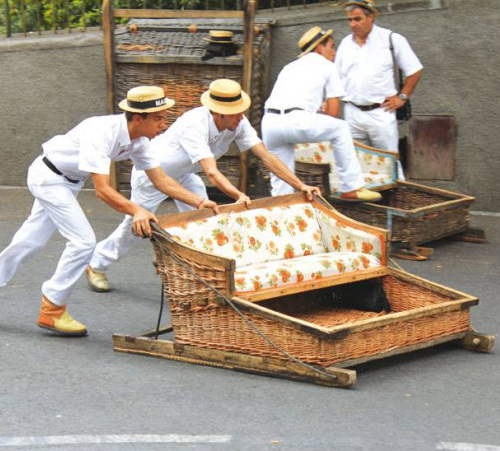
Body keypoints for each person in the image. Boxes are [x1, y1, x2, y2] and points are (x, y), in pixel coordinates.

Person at [0, 86, 219, 337]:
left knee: (30, 241)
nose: (163, 125)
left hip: (68, 182)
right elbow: (102, 190)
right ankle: (52, 308)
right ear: (138, 118)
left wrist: (198, 202)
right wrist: (137, 211)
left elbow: (162, 181)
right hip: (48, 177)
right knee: (83, 242)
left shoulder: (141, 142)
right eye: (158, 118)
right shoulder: (102, 132)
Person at [85, 78, 320, 292]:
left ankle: (185, 265)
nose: (241, 117)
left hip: (186, 174)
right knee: (135, 228)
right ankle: (96, 264)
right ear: (218, 114)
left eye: (241, 111)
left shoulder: (238, 122)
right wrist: (239, 195)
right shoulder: (194, 124)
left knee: (203, 221)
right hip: (153, 175)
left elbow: (266, 156)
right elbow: (212, 172)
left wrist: (301, 185)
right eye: (235, 113)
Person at [261, 26, 382, 202]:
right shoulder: (328, 66)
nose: (334, 52)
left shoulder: (289, 66)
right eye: (332, 46)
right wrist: (322, 110)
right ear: (320, 48)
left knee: (281, 189)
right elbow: (333, 113)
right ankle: (351, 187)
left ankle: (280, 210)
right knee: (341, 128)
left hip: (270, 124)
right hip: (297, 121)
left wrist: (316, 110)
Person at [336, 0, 423, 178]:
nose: (353, 24)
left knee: (388, 163)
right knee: (355, 164)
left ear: (371, 17)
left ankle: (394, 206)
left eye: (358, 19)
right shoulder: (345, 44)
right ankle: (364, 205)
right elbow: (336, 76)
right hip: (352, 112)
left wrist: (403, 97)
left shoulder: (391, 39)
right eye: (350, 20)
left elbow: (414, 69)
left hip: (380, 112)